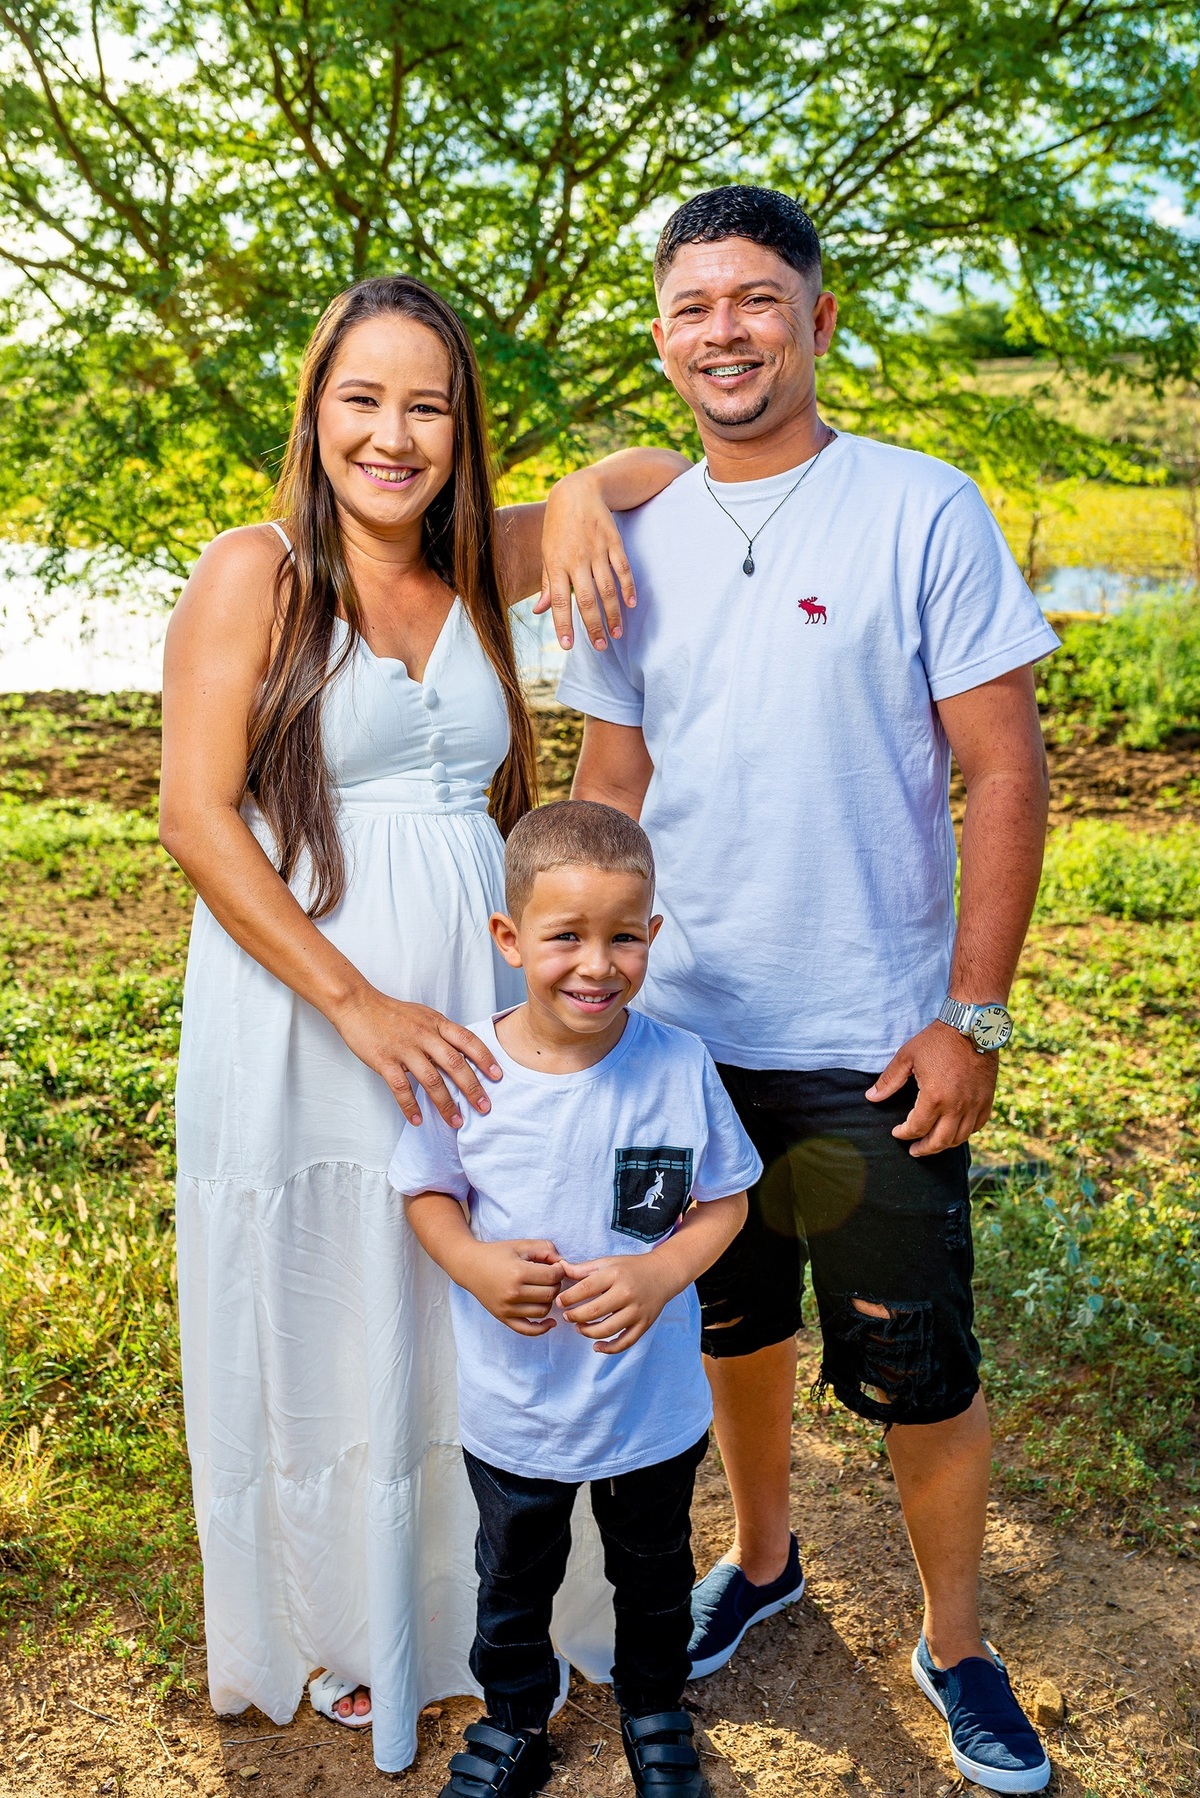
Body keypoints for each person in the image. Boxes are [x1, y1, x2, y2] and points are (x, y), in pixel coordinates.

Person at [561, 187, 1058, 1795]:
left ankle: (957, 1643)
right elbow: (612, 779)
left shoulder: (921, 507)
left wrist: (970, 1014)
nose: (726, 331)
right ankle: (763, 1558)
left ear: (819, 319)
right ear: (662, 336)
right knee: (728, 1316)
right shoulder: (632, 542)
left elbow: (1005, 770)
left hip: (871, 1045)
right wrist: (581, 1000)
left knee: (918, 1363)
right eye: (694, 305)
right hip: (679, 1042)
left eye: (758, 298)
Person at [160, 274, 689, 1771]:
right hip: (309, 999)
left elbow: (661, 469)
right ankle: (348, 1622)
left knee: (477, 1273)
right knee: (340, 1283)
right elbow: (196, 815)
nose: (392, 436)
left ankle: (483, 1615)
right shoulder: (254, 572)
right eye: (363, 400)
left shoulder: (476, 563)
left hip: (471, 986)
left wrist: (577, 493)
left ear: (462, 429)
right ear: (314, 412)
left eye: (427, 406)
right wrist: (359, 1005)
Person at [390, 801, 760, 1798]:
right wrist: (472, 1263)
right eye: (566, 937)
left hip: (651, 1405)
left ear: (653, 934)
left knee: (655, 1571)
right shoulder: (469, 1070)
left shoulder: (677, 1063)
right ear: (510, 938)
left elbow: (727, 1200)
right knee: (512, 1578)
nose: (597, 965)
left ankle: (655, 1707)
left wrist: (658, 1273)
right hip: (517, 1405)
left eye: (624, 937)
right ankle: (514, 1719)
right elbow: (425, 1190)